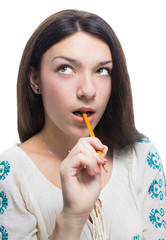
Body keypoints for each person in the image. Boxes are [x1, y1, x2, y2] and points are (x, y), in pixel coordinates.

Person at [0, 9, 165, 240]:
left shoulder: (141, 157)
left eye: (101, 70)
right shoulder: (10, 173)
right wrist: (71, 218)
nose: (88, 90)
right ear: (35, 79)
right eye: (65, 68)